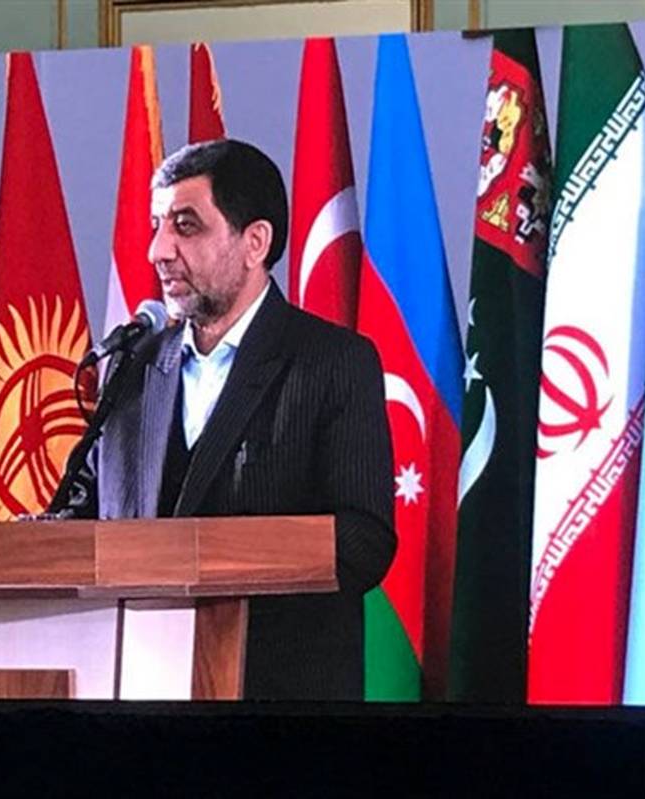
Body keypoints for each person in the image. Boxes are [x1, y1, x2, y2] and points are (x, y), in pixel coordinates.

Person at [62, 139, 396, 700]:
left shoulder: (332, 362)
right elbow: (84, 516)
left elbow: (363, 543)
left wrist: (211, 555)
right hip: (133, 693)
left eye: (185, 226)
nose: (158, 250)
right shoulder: (131, 367)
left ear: (254, 242)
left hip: (275, 702)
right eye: (157, 226)